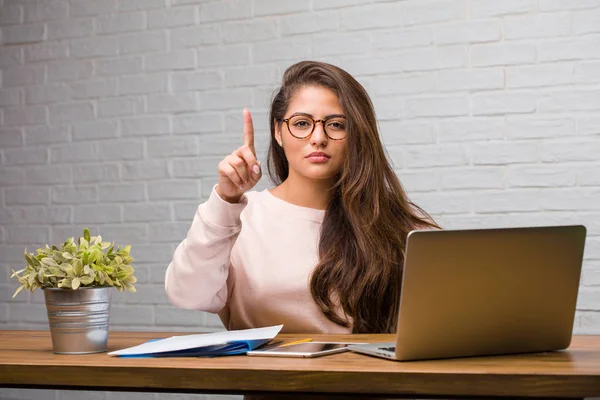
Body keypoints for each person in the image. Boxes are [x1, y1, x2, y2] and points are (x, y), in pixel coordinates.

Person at [165, 61, 438, 335]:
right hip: (264, 375)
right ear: (277, 131)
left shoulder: (397, 225)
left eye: (336, 125)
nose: (318, 137)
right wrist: (226, 199)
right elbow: (188, 295)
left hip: (365, 374)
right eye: (301, 123)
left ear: (356, 135)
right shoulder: (239, 217)